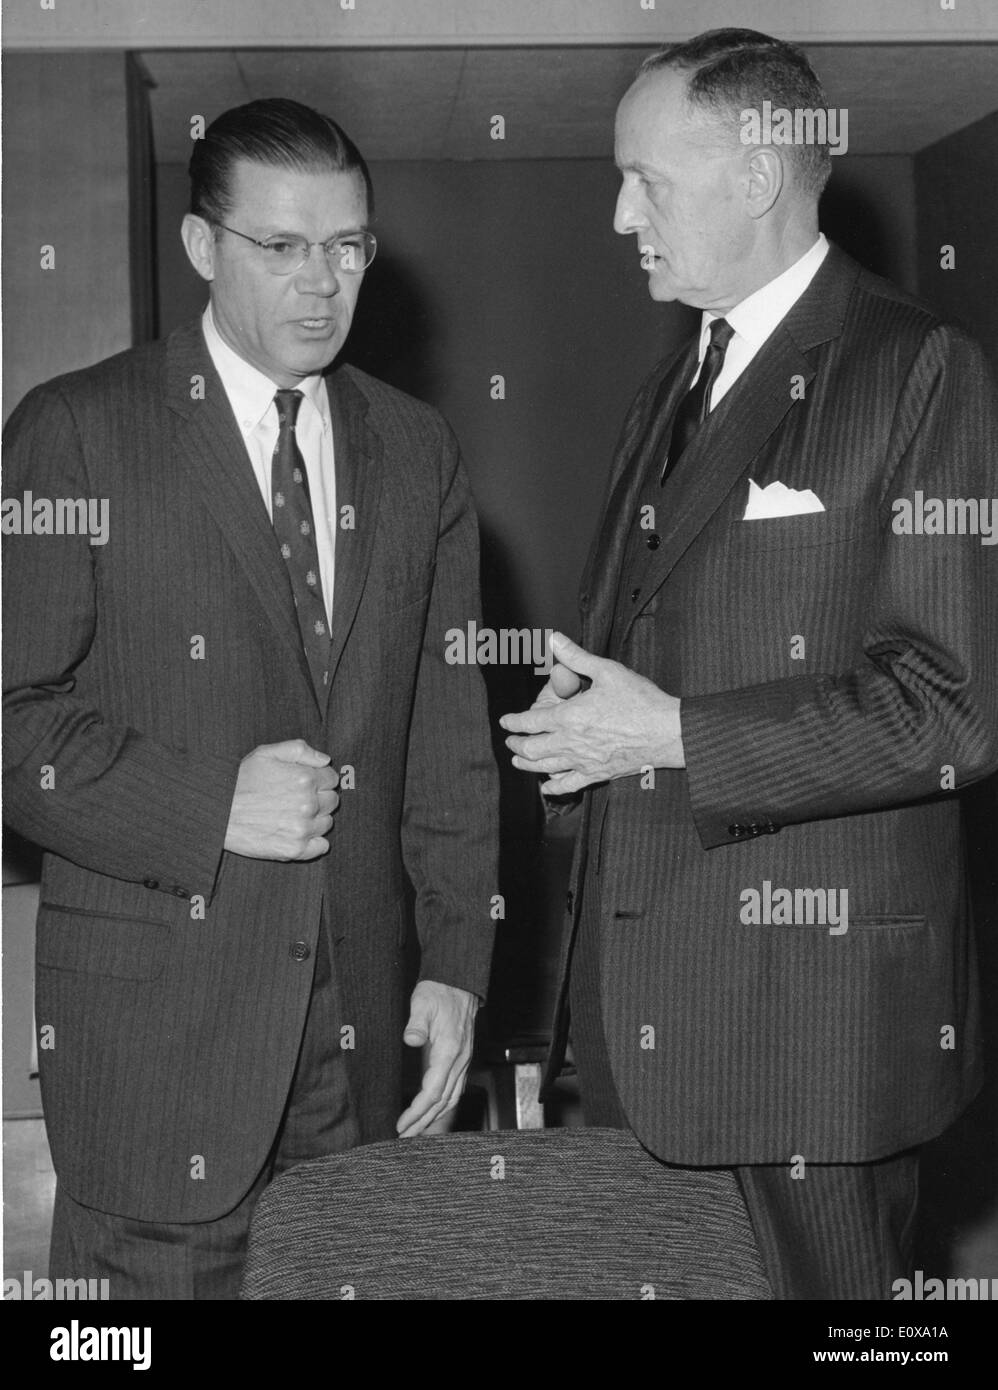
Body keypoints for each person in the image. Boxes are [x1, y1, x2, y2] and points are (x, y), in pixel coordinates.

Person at [501, 29, 998, 1300]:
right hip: (634, 1030)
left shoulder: (918, 370)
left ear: (761, 172)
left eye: (644, 180)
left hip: (810, 1040)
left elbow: (952, 710)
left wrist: (669, 734)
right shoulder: (672, 382)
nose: (618, 216)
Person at [2, 97, 498, 1300]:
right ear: (199, 246)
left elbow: (446, 732)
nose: (322, 283)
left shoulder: (415, 446)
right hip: (157, 1043)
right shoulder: (76, 432)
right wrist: (205, 802)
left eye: (348, 246)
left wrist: (455, 959)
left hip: (364, 1038)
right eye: (281, 247)